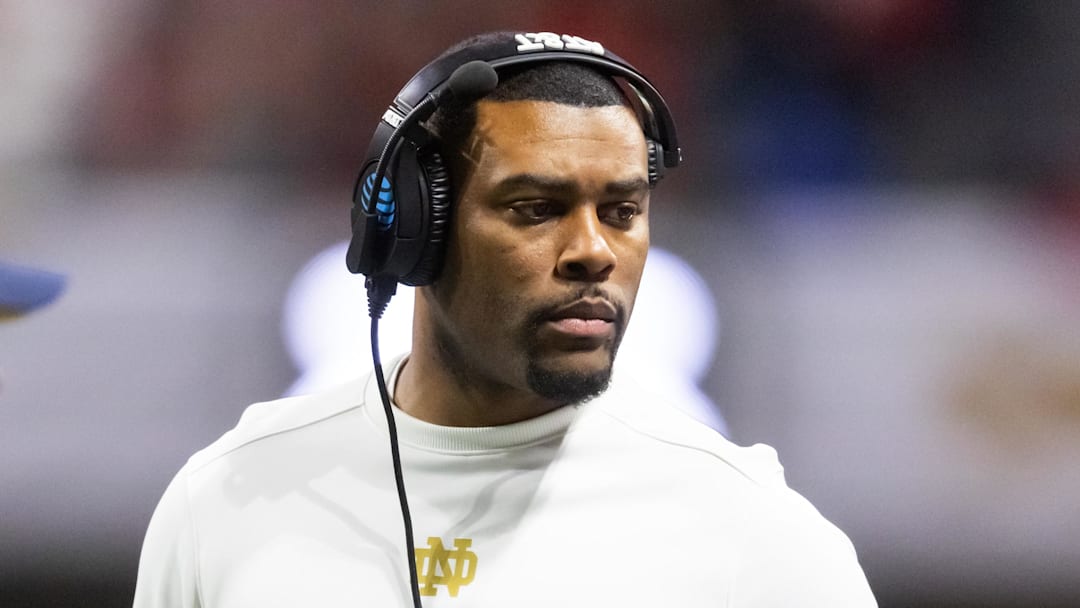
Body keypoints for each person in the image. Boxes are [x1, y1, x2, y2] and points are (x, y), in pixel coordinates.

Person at [134, 31, 876, 607]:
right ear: (414, 228)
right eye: (535, 209)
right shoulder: (225, 501)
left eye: (622, 212)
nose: (593, 252)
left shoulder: (756, 535)